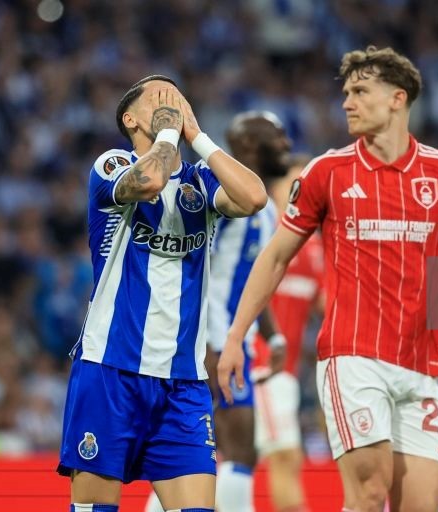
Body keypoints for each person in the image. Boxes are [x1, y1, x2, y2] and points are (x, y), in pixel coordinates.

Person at [217, 46, 438, 512]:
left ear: (398, 99)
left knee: (422, 504)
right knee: (368, 490)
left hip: (421, 363)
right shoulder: (327, 172)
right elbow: (275, 256)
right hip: (352, 358)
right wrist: (237, 335)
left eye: (360, 91)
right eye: (346, 92)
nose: (347, 102)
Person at [57, 74, 267, 512]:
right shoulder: (111, 166)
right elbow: (149, 181)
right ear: (130, 118)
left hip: (184, 383)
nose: (171, 101)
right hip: (110, 369)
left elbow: (254, 198)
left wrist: (199, 136)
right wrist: (171, 132)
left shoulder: (200, 183)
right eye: (158, 97)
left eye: (176, 96)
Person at [146, 110, 291, 512]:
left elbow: (252, 282)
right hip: (211, 340)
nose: (287, 145)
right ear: (247, 145)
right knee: (238, 449)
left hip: (233, 339)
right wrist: (204, 342)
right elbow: (194, 267)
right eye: (276, 137)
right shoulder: (222, 196)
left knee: (195, 449)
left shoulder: (265, 208)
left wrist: (272, 334)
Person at [252, 155, 324, 512]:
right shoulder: (261, 235)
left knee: (231, 463)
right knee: (285, 458)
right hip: (261, 369)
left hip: (286, 373)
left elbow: (332, 309)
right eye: (293, 185)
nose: (300, 193)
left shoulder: (317, 251)